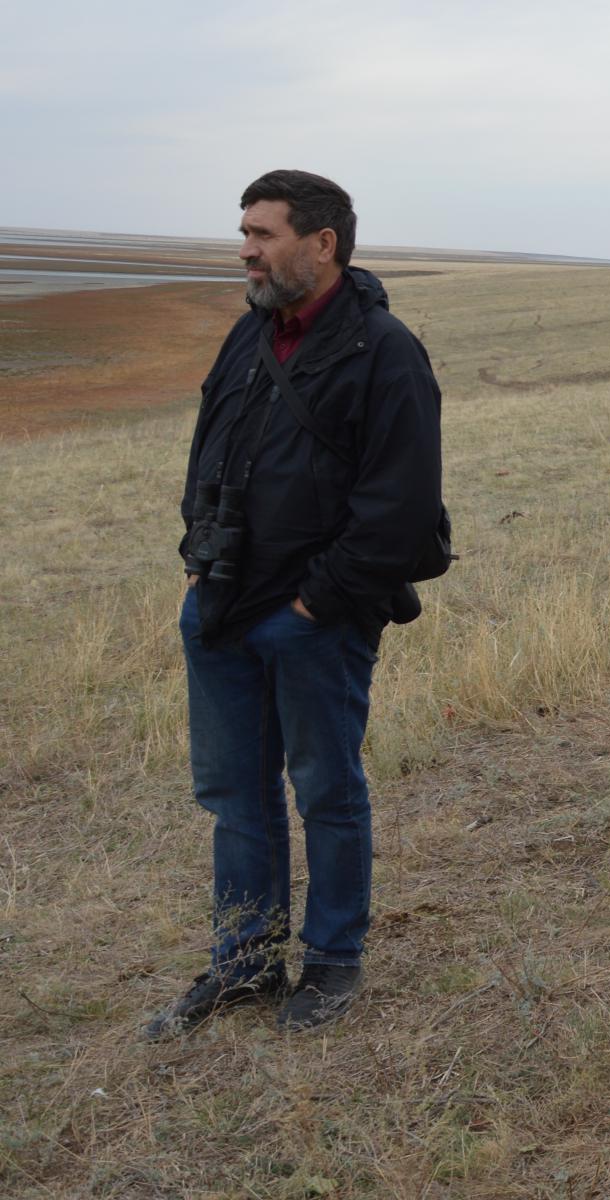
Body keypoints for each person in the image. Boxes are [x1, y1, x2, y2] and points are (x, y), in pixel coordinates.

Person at [146, 170, 444, 1039]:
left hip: (311, 621)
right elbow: (209, 452)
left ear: (322, 244)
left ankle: (331, 963)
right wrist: (198, 564)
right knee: (235, 796)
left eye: (263, 234)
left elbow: (400, 508)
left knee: (326, 791)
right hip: (222, 610)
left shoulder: (384, 351)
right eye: (243, 232)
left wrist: (316, 605)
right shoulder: (248, 335)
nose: (246, 249)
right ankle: (242, 965)